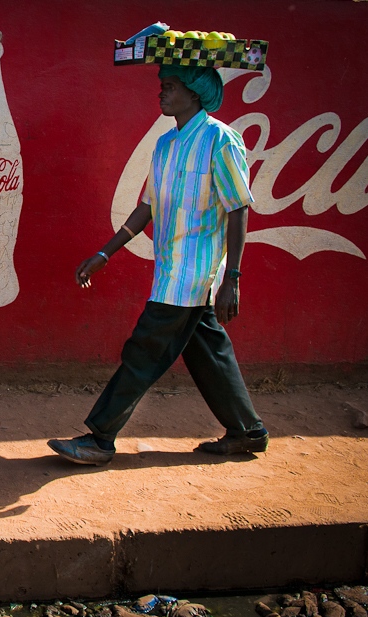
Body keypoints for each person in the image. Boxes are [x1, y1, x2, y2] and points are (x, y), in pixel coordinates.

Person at [48, 64, 268, 466]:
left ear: (196, 92)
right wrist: (104, 254)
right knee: (207, 351)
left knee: (144, 352)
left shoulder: (222, 140)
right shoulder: (165, 145)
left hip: (195, 273)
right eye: (161, 86)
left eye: (170, 87)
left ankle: (100, 438)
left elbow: (238, 209)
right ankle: (246, 431)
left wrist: (232, 277)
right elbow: (146, 208)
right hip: (171, 270)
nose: (161, 93)